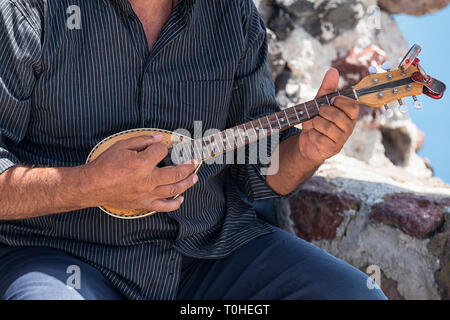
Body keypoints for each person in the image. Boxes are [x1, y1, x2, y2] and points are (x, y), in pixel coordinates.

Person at [0, 0, 386, 300]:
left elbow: (259, 169)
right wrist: (90, 184)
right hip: (62, 257)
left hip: (205, 260)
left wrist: (308, 149)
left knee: (354, 294)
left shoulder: (231, 16)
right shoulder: (33, 11)